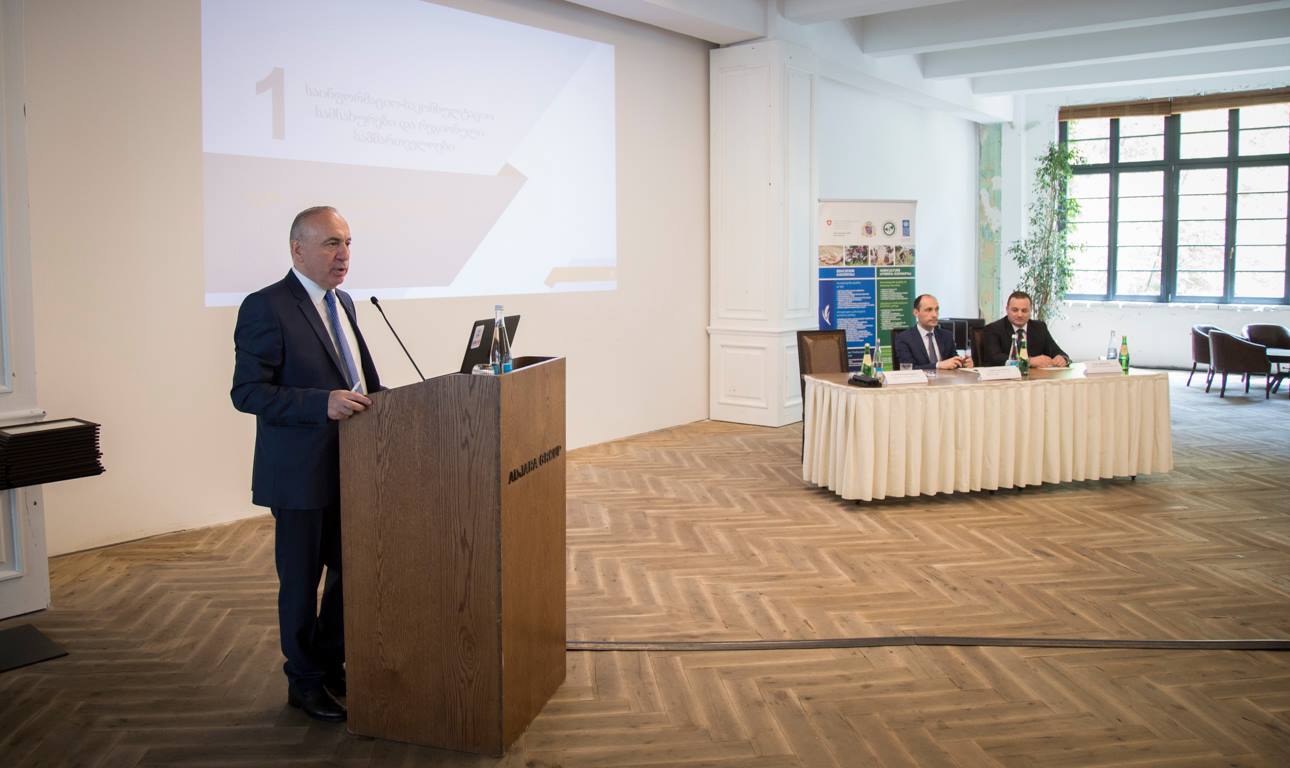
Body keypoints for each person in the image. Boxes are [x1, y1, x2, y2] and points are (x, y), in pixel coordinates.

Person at [231, 206, 382, 723]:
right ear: (298, 249)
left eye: (348, 243)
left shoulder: (346, 303)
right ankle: (303, 681)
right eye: (331, 243)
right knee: (300, 582)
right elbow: (248, 392)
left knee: (347, 573)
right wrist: (321, 403)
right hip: (298, 475)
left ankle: (330, 663)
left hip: (353, 467)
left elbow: (359, 380)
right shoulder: (266, 306)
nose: (343, 254)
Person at [980, 290, 1068, 368]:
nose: (1020, 315)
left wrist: (1062, 358)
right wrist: (1029, 361)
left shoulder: (1040, 327)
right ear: (1007, 309)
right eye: (1015, 310)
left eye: (1024, 310)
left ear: (1030, 311)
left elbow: (1058, 352)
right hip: (1005, 378)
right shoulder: (993, 329)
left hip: (1036, 378)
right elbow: (995, 358)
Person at [893, 294, 972, 370]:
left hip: (945, 379)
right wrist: (938, 365)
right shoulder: (904, 338)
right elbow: (908, 369)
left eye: (936, 309)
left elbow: (954, 361)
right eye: (929, 310)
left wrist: (963, 363)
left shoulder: (946, 336)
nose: (934, 315)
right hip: (920, 379)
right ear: (916, 313)